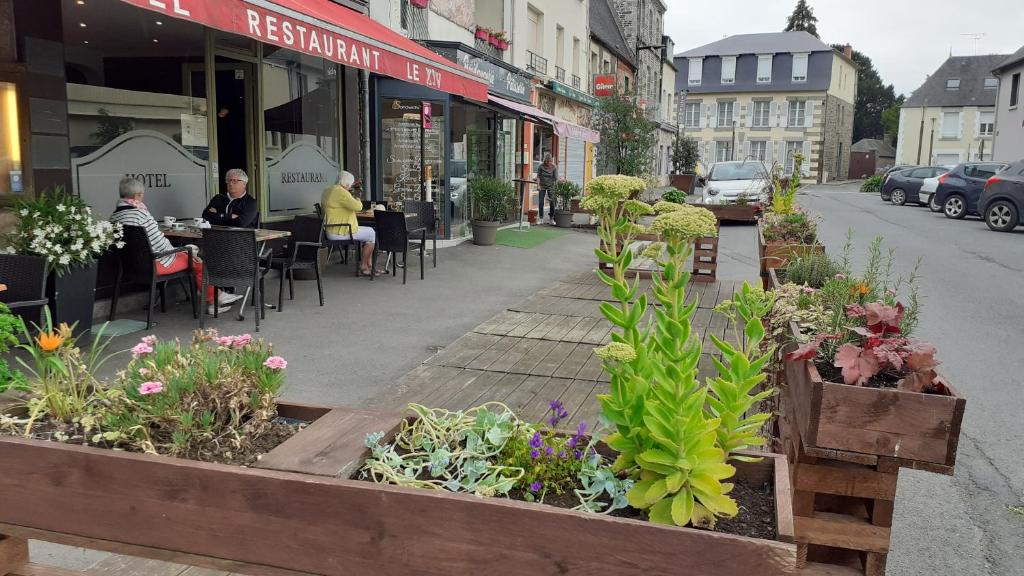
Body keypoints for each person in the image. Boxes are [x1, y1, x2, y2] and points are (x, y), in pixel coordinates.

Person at [110, 177, 242, 315]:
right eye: (142, 194)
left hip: (129, 267)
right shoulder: (140, 214)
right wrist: (180, 251)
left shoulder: (114, 217)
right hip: (154, 265)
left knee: (190, 255)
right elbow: (159, 243)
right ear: (137, 195)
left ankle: (215, 296)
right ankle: (214, 300)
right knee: (196, 260)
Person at [321, 171, 381, 276]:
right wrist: (357, 198)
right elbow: (358, 207)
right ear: (347, 184)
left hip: (330, 229)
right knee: (372, 233)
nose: (350, 186)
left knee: (368, 232)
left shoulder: (328, 190)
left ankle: (370, 265)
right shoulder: (341, 192)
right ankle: (364, 265)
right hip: (340, 230)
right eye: (350, 184)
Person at [537, 153, 558, 224]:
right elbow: (538, 177)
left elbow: (556, 178)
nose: (549, 163)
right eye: (547, 161)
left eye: (550, 161)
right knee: (541, 202)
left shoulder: (554, 167)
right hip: (542, 186)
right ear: (545, 161)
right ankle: (541, 218)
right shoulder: (541, 166)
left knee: (552, 202)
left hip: (551, 186)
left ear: (552, 161)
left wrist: (558, 183)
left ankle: (551, 218)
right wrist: (538, 185)